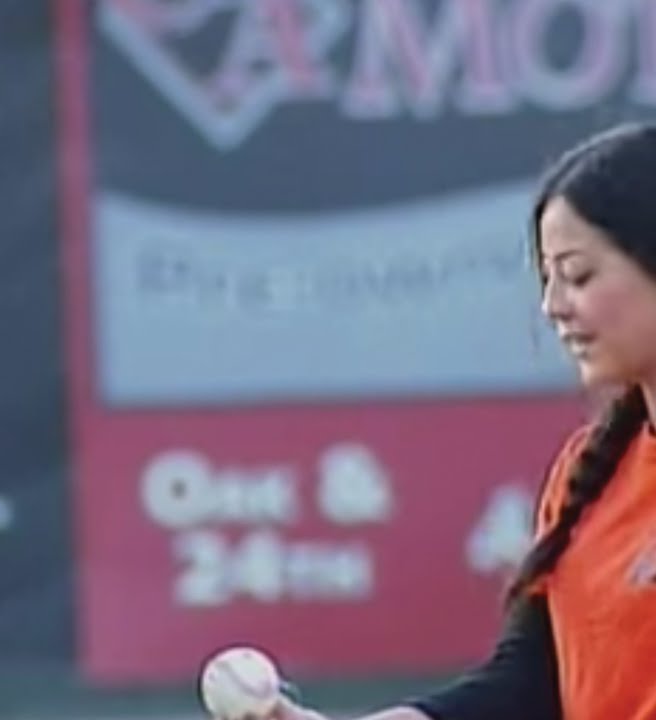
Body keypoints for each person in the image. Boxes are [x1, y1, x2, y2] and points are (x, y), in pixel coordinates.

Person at [209, 122, 656, 720]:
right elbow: (525, 686)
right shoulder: (591, 469)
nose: (552, 307)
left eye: (578, 275)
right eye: (546, 279)